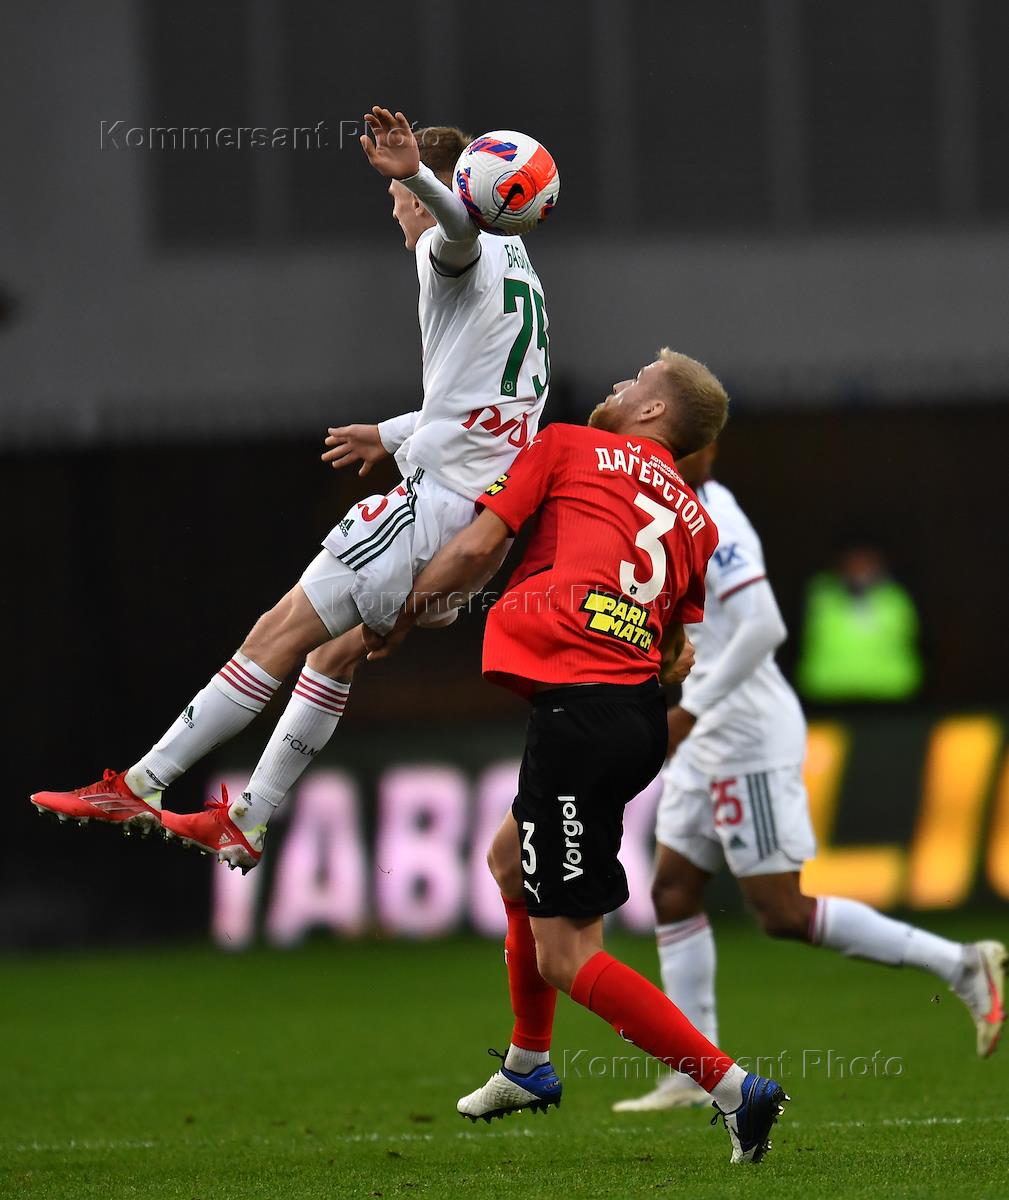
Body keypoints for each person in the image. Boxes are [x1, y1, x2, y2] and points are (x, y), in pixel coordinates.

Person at [30, 108, 552, 870]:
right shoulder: (520, 269)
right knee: (333, 653)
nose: (396, 214)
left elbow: (455, 232)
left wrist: (413, 174)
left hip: (430, 511)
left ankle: (141, 784)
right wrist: (391, 433)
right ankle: (249, 818)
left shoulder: (451, 246)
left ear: (433, 193)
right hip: (478, 528)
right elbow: (491, 407)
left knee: (274, 634)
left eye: (398, 200)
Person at [365, 351, 790, 1165]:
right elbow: (675, 649)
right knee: (508, 860)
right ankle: (528, 1063)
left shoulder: (565, 445)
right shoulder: (695, 521)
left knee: (567, 955)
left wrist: (401, 614)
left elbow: (478, 548)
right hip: (632, 719)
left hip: (579, 716)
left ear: (654, 413)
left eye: (634, 383)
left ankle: (733, 1087)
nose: (617, 387)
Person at [612, 445, 1005, 1114]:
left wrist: (689, 712)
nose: (622, 404)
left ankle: (961, 963)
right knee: (672, 891)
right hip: (704, 731)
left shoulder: (715, 514)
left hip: (744, 735)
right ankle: (694, 1070)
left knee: (782, 912)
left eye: (635, 400)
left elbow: (764, 626)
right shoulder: (660, 504)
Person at [795, 542, 922, 702]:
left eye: (865, 564)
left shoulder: (896, 597)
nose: (858, 570)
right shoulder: (820, 595)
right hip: (828, 692)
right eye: (852, 564)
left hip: (890, 692)